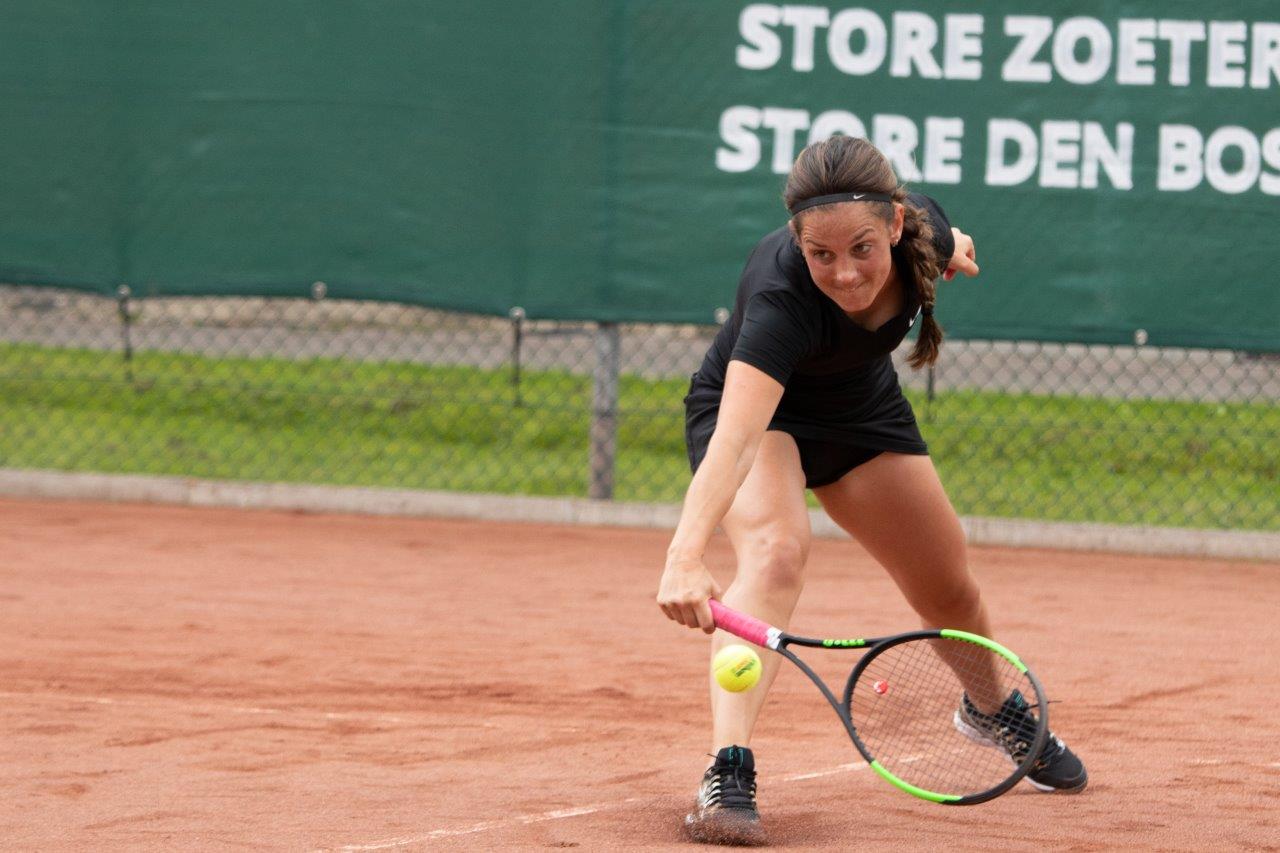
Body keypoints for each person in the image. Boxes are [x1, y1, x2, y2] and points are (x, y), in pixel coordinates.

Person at [657, 135, 1086, 846]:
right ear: (797, 241)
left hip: (860, 410)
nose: (846, 273)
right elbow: (735, 442)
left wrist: (954, 249)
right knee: (776, 553)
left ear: (895, 224)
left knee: (948, 586)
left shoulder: (921, 232)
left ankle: (990, 709)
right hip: (762, 417)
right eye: (820, 254)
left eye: (861, 248)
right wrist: (684, 554)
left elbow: (949, 240)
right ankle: (726, 769)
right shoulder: (781, 299)